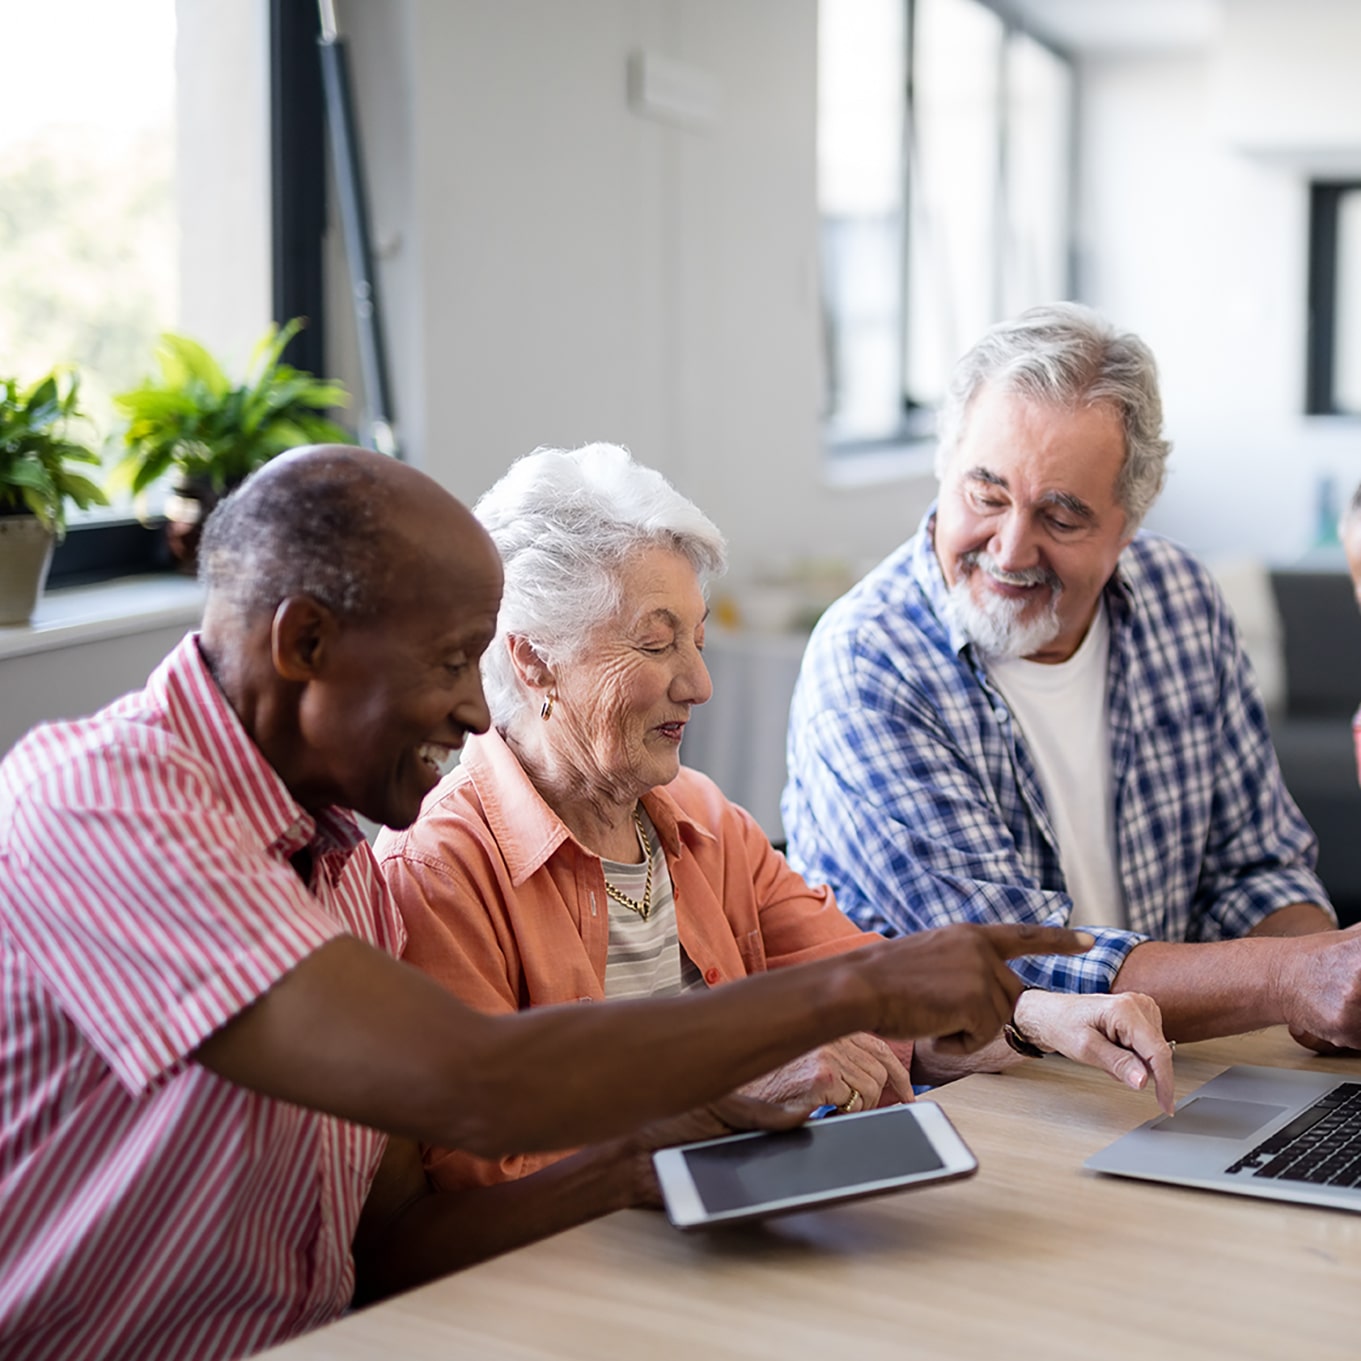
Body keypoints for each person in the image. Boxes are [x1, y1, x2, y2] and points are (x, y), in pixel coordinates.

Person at [0, 444, 1104, 1361]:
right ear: (305, 644)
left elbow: (387, 1251)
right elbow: (475, 1085)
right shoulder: (105, 803)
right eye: (449, 663)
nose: (475, 718)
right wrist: (849, 988)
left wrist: (643, 1162)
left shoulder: (337, 865)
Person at [376, 442, 1172, 1198]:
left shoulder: (701, 819)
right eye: (656, 645)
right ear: (532, 659)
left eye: (697, 636)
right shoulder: (440, 867)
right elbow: (480, 1172)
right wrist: (720, 1085)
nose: (698, 683)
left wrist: (1044, 1016)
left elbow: (875, 990)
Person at [783, 302, 1361, 1053]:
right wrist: (1294, 976)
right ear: (944, 465)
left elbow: (1255, 868)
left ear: (1127, 525)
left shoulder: (1179, 596)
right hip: (973, 1098)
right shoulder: (869, 662)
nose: (1010, 548)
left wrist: (1329, 988)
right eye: (984, 494)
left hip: (1168, 1074)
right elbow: (1011, 960)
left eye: (1059, 517)